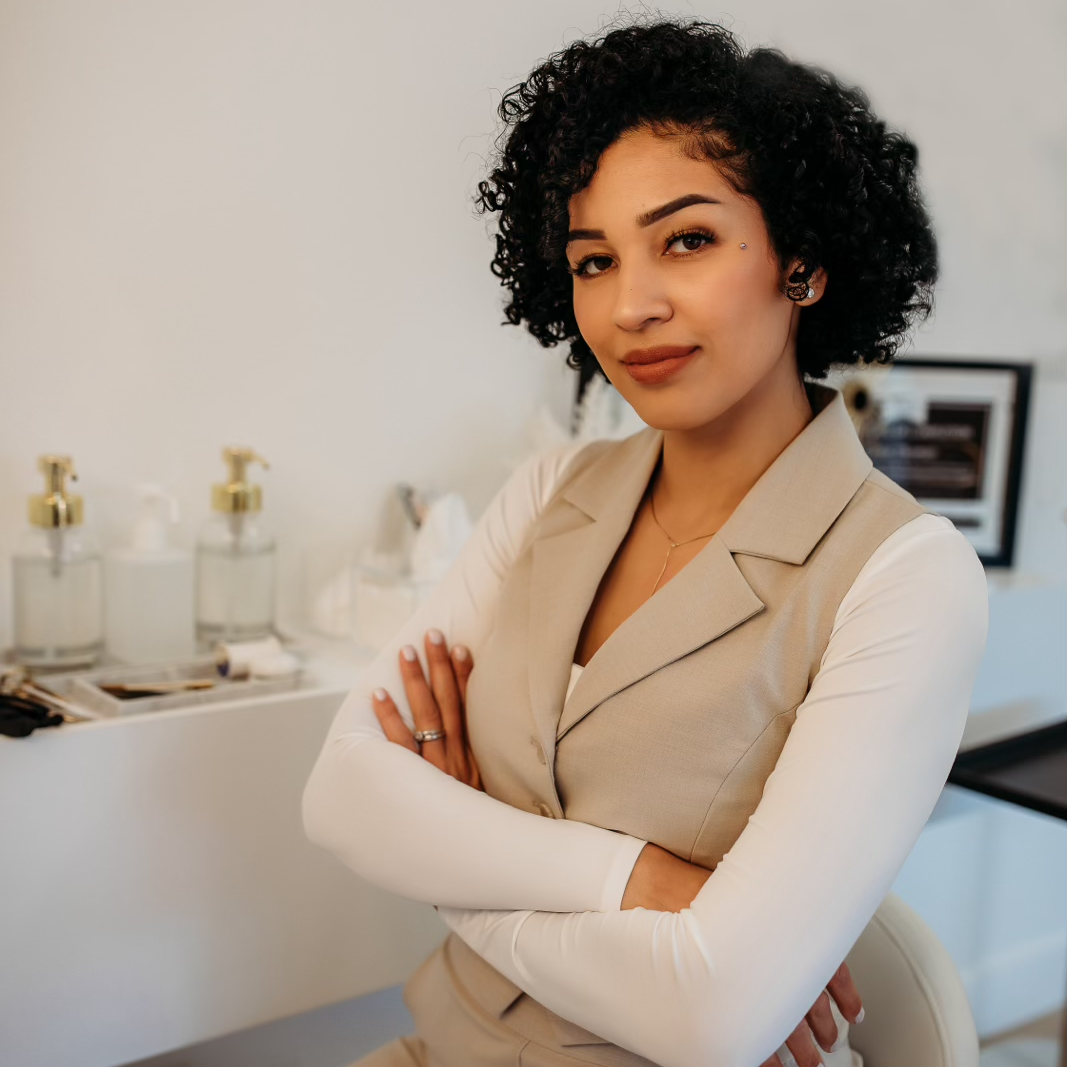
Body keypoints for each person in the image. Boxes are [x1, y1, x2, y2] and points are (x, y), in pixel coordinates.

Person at [302, 17, 989, 1067]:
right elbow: (343, 797)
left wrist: (451, 848)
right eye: (592, 259)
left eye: (687, 239)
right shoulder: (547, 491)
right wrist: (630, 879)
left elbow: (710, 1020)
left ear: (800, 261)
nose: (631, 306)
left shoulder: (901, 574)